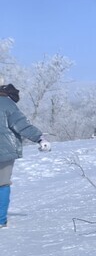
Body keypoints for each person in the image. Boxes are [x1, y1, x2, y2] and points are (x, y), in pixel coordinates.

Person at [0, 83, 50, 228]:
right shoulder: (8, 104)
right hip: (4, 151)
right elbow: (22, 125)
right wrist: (40, 138)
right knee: (2, 184)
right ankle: (0, 220)